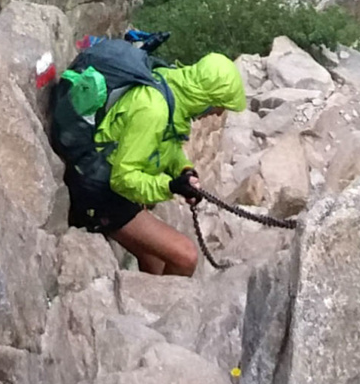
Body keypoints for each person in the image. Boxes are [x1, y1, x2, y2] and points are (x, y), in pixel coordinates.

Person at [65, 52, 246, 275]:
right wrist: (169, 187)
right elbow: (123, 178)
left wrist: (183, 170)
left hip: (107, 182)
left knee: (156, 262)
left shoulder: (170, 92)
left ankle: (145, 307)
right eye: (219, 107)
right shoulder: (154, 110)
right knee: (185, 256)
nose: (217, 115)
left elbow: (166, 147)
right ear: (205, 100)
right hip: (101, 192)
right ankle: (170, 309)